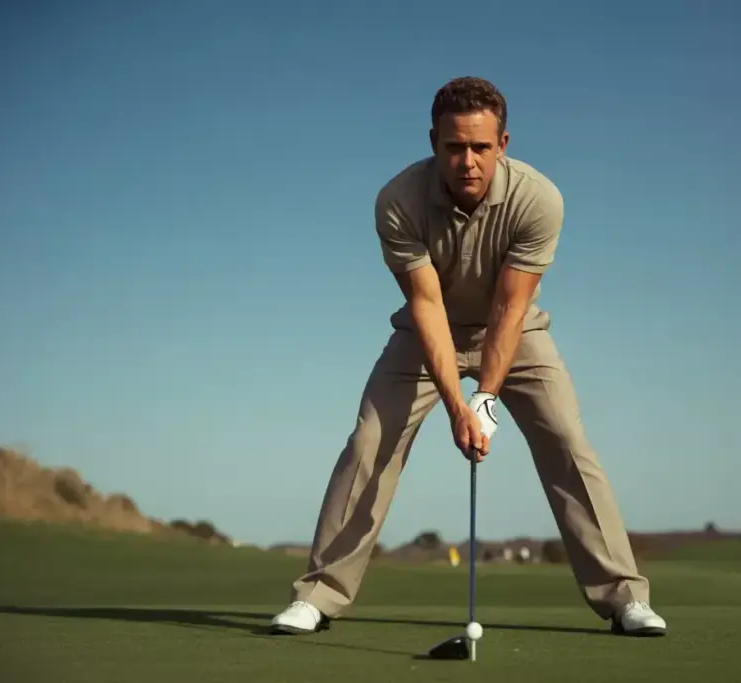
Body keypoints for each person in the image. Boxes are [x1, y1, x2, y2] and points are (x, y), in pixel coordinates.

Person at [270, 76, 667, 637]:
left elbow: (509, 307)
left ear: (503, 144)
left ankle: (624, 598)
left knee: (566, 440)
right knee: (369, 443)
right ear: (434, 141)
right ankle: (318, 596)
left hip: (514, 331)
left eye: (481, 147)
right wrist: (459, 407)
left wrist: (485, 396)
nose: (467, 161)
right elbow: (427, 304)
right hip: (425, 332)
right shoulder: (398, 201)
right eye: (454, 146)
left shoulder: (538, 199)